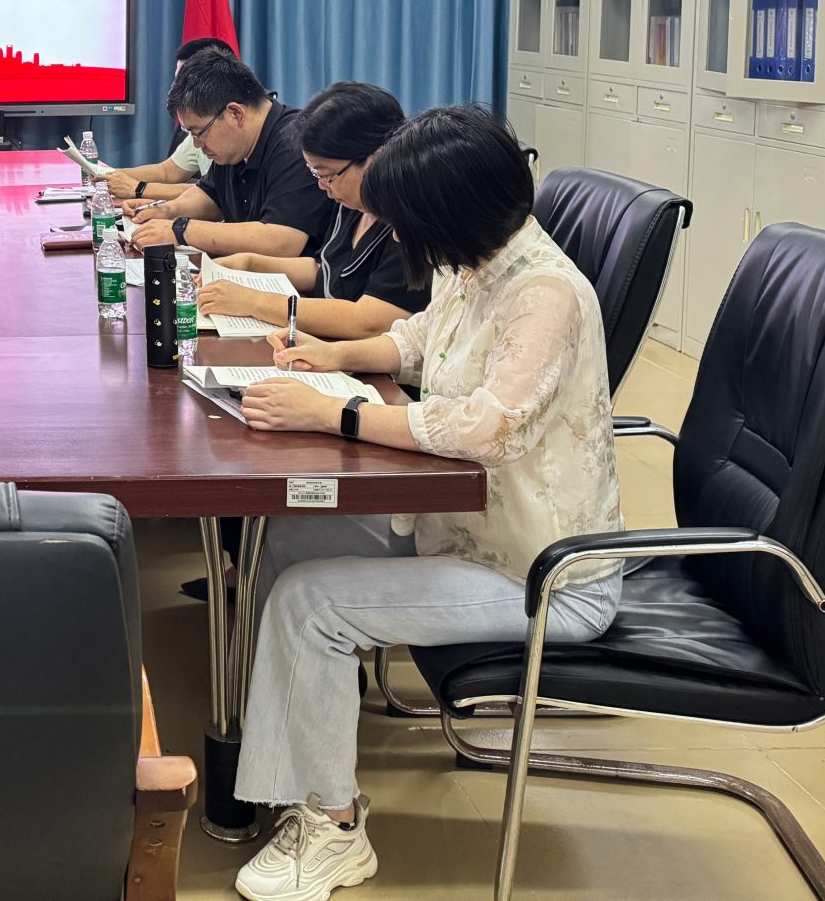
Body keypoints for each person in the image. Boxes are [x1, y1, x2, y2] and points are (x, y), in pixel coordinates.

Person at [225, 105, 622, 901]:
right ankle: (289, 756)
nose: (399, 235)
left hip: (541, 572)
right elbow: (417, 341)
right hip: (464, 530)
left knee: (312, 602)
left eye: (408, 219)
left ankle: (334, 830)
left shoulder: (544, 295)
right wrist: (332, 355)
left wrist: (335, 413)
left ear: (451, 212)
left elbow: (486, 428)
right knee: (289, 541)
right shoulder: (477, 263)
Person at [194, 82, 429, 341]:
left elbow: (368, 321)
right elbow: (325, 270)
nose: (322, 186)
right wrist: (249, 263)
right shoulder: (353, 203)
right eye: (317, 175)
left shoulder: (411, 221)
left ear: (376, 158)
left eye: (327, 175)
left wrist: (253, 301)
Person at [126, 52, 333, 261]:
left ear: (235, 113)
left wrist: (181, 230)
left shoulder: (294, 143)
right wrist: (167, 210)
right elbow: (211, 194)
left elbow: (281, 240)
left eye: (199, 133)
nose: (197, 145)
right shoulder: (234, 146)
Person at [101, 36, 235, 203]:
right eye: (177, 79)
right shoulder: (201, 127)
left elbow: (214, 193)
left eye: (184, 80)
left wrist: (139, 188)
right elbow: (168, 172)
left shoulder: (232, 129)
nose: (177, 87)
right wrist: (108, 176)